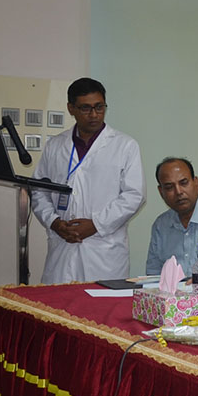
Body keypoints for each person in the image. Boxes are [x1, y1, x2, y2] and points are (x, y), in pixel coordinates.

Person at [32, 77, 144, 283]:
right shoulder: (55, 146)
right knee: (58, 301)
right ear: (71, 108)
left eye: (99, 107)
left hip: (104, 252)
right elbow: (39, 190)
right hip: (62, 247)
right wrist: (54, 222)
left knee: (100, 302)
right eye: (85, 108)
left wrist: (96, 225)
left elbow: (134, 196)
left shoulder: (125, 146)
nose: (94, 115)